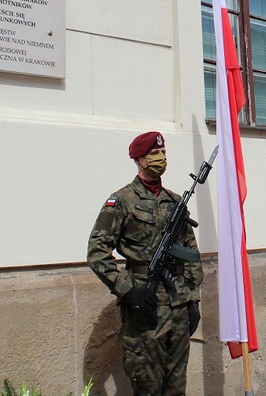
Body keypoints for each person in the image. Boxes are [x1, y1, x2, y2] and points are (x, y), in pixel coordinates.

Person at [87, 131, 203, 395]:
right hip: (145, 308)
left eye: (163, 153)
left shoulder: (174, 202)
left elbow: (190, 252)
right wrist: (127, 290)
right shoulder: (121, 201)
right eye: (154, 154)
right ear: (139, 159)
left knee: (176, 388)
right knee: (147, 388)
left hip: (177, 306)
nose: (161, 158)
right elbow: (97, 252)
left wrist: (193, 299)